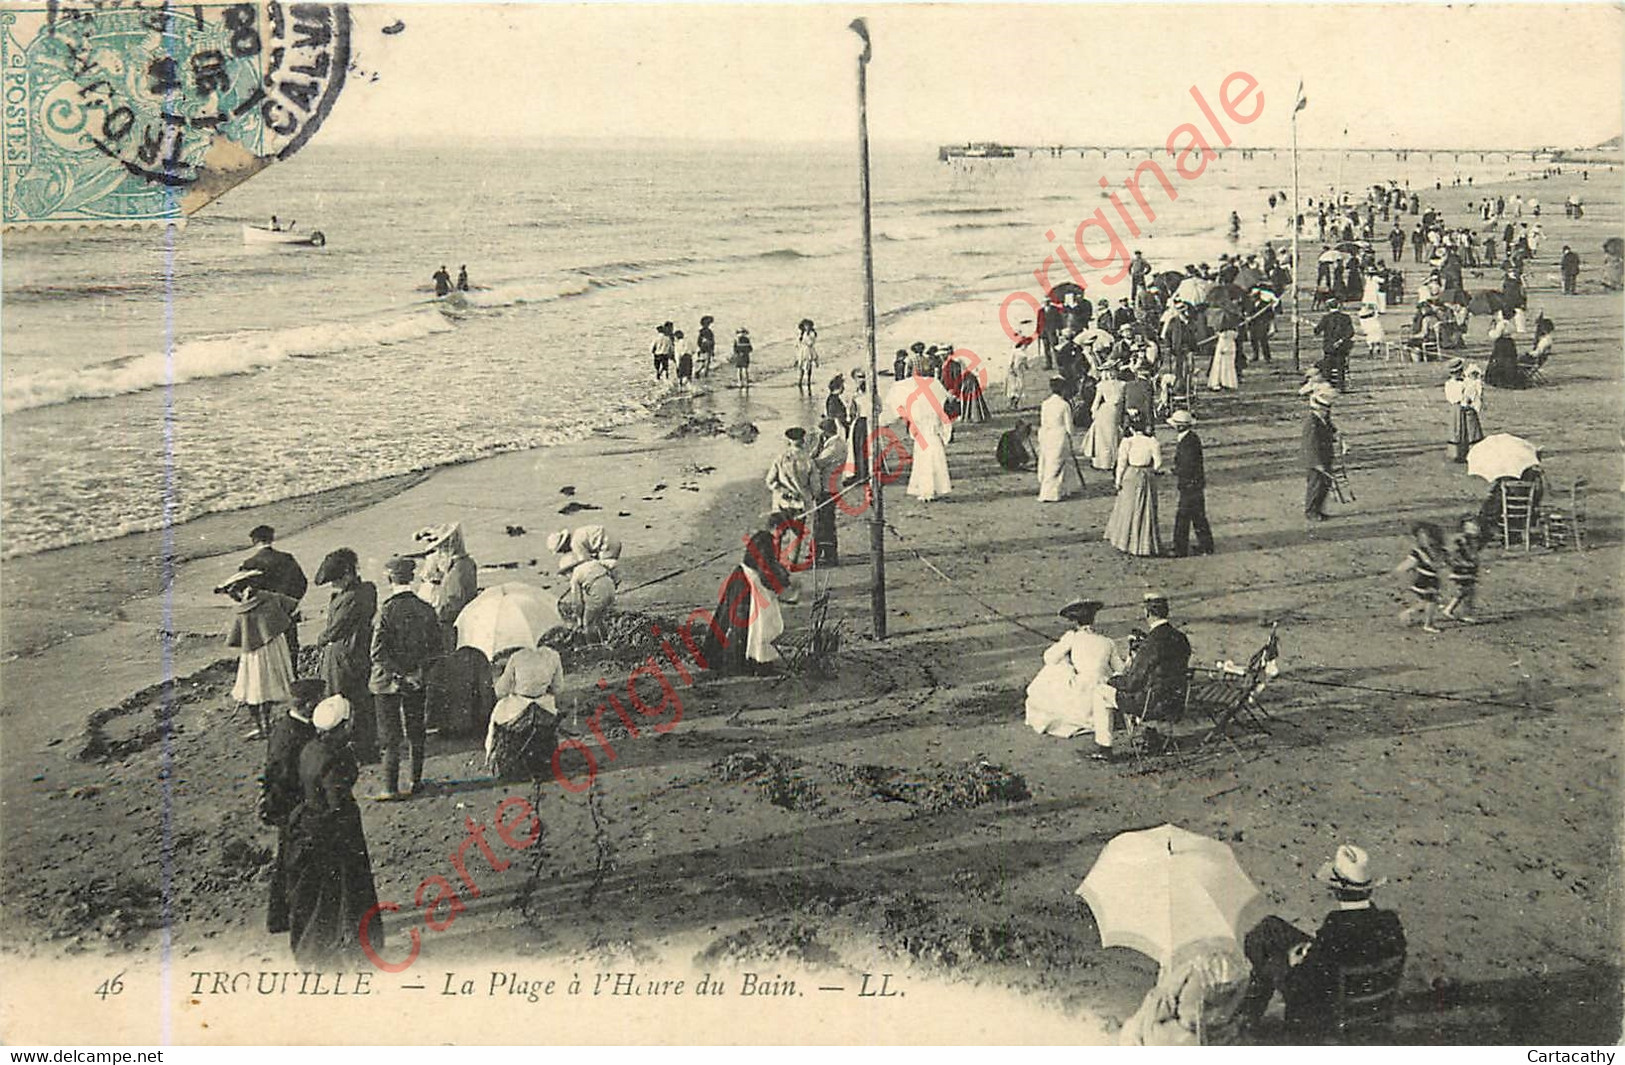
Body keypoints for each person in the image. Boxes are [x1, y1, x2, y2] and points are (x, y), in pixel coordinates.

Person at [1239, 844, 1406, 1036]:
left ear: (1335, 890)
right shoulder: (1389, 921)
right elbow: (1336, 955)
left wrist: (1292, 961)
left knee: (1265, 958)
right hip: (1360, 991)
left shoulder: (1335, 927)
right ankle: (1246, 1017)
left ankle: (1247, 1019)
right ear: (1369, 889)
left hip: (1327, 1008)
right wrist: (1312, 951)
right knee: (1271, 926)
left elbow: (1304, 983)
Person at [281, 694, 383, 969]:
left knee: (317, 895)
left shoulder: (311, 748)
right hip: (333, 831)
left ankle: (315, 951)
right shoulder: (333, 760)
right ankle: (347, 949)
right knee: (344, 891)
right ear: (343, 726)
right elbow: (337, 802)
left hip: (308, 825)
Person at [369, 556, 442, 801]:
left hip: (387, 682)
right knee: (416, 730)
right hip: (417, 680)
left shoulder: (386, 610)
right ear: (411, 577)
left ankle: (390, 787)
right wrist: (417, 673)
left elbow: (377, 652)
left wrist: (400, 673)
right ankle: (416, 781)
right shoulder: (426, 609)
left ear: (389, 578)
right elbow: (436, 649)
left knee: (389, 736)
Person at [262, 678, 324, 944]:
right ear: (308, 704)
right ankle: (289, 916)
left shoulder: (289, 728)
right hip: (292, 808)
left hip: (289, 807)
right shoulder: (293, 736)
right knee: (293, 863)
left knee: (286, 860)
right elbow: (282, 777)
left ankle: (278, 917)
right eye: (319, 700)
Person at [1023, 599, 1124, 742]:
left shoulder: (1072, 637)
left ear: (1075, 621)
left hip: (1082, 694)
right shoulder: (1107, 641)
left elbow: (1049, 658)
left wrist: (1065, 647)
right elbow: (1120, 669)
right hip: (1102, 691)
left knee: (1056, 667)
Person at [312, 548, 378, 764]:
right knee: (360, 699)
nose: (334, 585)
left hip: (344, 653)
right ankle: (365, 745)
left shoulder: (350, 598)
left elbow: (335, 631)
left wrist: (320, 638)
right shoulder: (367, 590)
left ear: (348, 574)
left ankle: (356, 748)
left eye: (336, 580)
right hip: (358, 650)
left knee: (340, 697)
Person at [1106, 593, 1191, 753]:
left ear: (1147, 613)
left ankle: (1104, 747)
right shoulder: (1181, 638)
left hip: (1150, 705)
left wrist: (1112, 680)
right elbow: (1167, 663)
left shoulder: (1151, 643)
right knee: (1149, 686)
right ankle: (1150, 735)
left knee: (1101, 692)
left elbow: (1132, 683)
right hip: (1176, 703)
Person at [219, 569, 299, 740]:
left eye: (232, 593)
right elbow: (292, 605)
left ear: (239, 590)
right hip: (276, 645)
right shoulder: (269, 597)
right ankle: (272, 722)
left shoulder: (242, 611)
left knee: (254, 689)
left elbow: (235, 638)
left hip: (254, 652)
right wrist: (277, 622)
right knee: (272, 684)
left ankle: (263, 727)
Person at [700, 529, 791, 675]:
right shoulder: (765, 544)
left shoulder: (761, 539)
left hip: (742, 577)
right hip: (749, 582)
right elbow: (765, 572)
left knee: (730, 619)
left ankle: (719, 657)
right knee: (755, 623)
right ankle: (753, 661)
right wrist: (781, 583)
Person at [1119, 950, 1252, 1046]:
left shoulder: (1193, 968)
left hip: (1187, 1030)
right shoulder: (1241, 967)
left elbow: (1189, 1019)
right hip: (1214, 1026)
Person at [486, 641, 565, 781]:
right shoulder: (553, 655)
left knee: (497, 714)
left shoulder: (516, 657)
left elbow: (500, 691)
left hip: (520, 708)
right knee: (551, 702)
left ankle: (491, 754)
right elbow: (558, 688)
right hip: (543, 707)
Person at [244, 525, 308, 674]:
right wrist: (292, 603)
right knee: (291, 645)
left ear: (254, 541)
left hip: (263, 615)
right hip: (287, 610)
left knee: (268, 651)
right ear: (272, 539)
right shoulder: (287, 558)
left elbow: (243, 592)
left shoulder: (250, 563)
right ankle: (292, 677)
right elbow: (302, 583)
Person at [548, 525, 622, 636]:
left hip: (606, 546)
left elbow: (577, 603)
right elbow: (595, 565)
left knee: (589, 622)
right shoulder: (578, 534)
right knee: (599, 615)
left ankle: (593, 644)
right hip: (612, 541)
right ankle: (605, 636)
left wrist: (579, 619)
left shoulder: (575, 545)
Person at [415, 522, 477, 654]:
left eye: (443, 549)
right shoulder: (463, 564)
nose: (441, 553)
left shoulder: (459, 568)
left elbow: (454, 601)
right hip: (455, 620)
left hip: (451, 624)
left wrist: (433, 614)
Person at [1105, 417, 1163, 557]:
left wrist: (1118, 481)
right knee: (1145, 509)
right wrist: (1151, 469)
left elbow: (1121, 464)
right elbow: (1158, 463)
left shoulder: (1127, 442)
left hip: (1131, 475)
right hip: (1146, 475)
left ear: (1131, 428)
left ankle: (1126, 542)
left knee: (1128, 509)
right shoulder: (1152, 442)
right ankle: (1144, 545)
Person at [1168, 411, 1213, 557]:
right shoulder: (1192, 438)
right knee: (1198, 516)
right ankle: (1206, 546)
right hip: (1196, 483)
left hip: (1189, 484)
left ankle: (1180, 549)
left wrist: (1174, 471)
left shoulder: (1186, 442)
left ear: (1179, 427)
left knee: (1183, 517)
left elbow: (1186, 465)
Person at [903, 381, 954, 503]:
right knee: (932, 463)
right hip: (932, 436)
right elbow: (945, 422)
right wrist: (944, 435)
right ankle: (930, 490)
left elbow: (912, 423)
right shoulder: (937, 405)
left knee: (925, 464)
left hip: (924, 437)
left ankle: (927, 491)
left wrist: (914, 434)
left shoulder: (916, 405)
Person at [1036, 377, 1084, 502]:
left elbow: (1043, 422)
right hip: (1059, 435)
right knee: (1058, 464)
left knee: (1049, 462)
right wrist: (1072, 435)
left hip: (1047, 435)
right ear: (1062, 390)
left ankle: (1064, 489)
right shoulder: (1064, 405)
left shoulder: (1045, 404)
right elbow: (1069, 426)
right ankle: (1050, 493)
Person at [1395, 521, 1446, 633]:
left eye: (1429, 537)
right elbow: (1406, 565)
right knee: (1431, 601)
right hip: (1424, 581)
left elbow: (1446, 562)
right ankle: (1428, 624)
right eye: (1422, 538)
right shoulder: (1418, 553)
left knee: (1425, 603)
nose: (1426, 541)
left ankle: (1407, 613)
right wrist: (1402, 571)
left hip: (1434, 581)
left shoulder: (1439, 551)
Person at [811, 418, 846, 566]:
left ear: (825, 433)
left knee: (823, 523)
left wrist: (817, 445)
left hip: (828, 489)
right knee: (825, 522)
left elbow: (815, 463)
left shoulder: (832, 448)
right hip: (834, 486)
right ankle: (823, 553)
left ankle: (828, 555)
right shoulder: (838, 443)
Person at [1301, 386, 1337, 521]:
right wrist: (1316, 463)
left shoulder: (1323, 419)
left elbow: (1330, 428)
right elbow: (1310, 445)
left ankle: (1318, 509)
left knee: (1325, 484)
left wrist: (1337, 435)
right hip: (1315, 461)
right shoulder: (1311, 424)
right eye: (1324, 410)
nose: (1326, 413)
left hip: (1325, 456)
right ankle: (1310, 511)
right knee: (1315, 485)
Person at [1083, 368, 1126, 472]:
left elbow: (1095, 403)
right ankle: (1112, 461)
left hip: (1105, 411)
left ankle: (1104, 462)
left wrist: (1094, 413)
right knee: (1112, 436)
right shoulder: (1122, 384)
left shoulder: (1103, 385)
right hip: (1114, 411)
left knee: (1104, 438)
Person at [1443, 358, 1484, 463]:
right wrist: (1462, 398)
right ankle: (1458, 453)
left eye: (1458, 372)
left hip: (1468, 408)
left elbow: (1474, 393)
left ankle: (1474, 452)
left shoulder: (1467, 382)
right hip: (1457, 409)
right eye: (1454, 373)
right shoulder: (1450, 384)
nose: (1457, 375)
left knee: (1471, 428)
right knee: (1458, 429)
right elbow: (1452, 397)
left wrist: (1469, 397)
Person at [1443, 517, 1482, 623]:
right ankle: (1464, 613)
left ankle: (1451, 609)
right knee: (1466, 591)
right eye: (1473, 526)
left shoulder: (1474, 540)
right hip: (1462, 569)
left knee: (1465, 591)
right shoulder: (1462, 540)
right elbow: (1454, 553)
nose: (1476, 528)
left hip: (1469, 569)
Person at [1312, 301, 1354, 390]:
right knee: (1340, 366)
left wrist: (1316, 327)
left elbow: (1317, 331)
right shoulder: (1346, 318)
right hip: (1342, 347)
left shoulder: (1326, 318)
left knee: (1328, 366)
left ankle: (1328, 385)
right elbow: (1350, 332)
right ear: (1338, 306)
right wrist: (1341, 341)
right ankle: (1341, 386)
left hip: (1329, 347)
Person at [1484, 312, 1523, 389]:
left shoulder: (1501, 324)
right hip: (1510, 343)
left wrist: (1491, 329)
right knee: (1509, 361)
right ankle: (1510, 379)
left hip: (1502, 343)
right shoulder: (1511, 324)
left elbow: (1496, 335)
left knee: (1499, 361)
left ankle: (1498, 379)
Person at [1207, 325, 1239, 391]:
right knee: (1226, 364)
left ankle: (1222, 382)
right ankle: (1227, 382)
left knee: (1221, 364)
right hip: (1228, 342)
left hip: (1225, 342)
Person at [795, 319, 819, 392]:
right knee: (801, 367)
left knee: (809, 367)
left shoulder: (812, 334)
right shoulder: (802, 334)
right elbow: (798, 343)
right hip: (802, 351)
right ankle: (800, 380)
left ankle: (808, 380)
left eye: (808, 326)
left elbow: (811, 342)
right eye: (806, 326)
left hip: (809, 350)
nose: (807, 327)